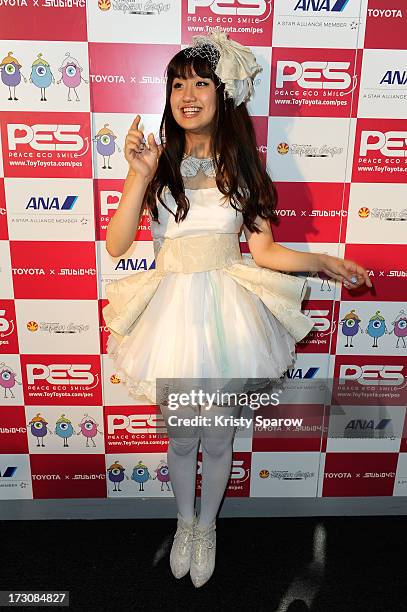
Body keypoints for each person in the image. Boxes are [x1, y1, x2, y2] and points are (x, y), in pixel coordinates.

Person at [102, 28, 372, 588]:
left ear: (223, 95)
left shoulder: (243, 171)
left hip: (227, 315)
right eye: (179, 83)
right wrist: (139, 174)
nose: (189, 93)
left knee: (219, 434)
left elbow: (266, 251)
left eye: (202, 81)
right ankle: (184, 522)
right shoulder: (156, 165)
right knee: (181, 435)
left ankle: (209, 525)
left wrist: (324, 260)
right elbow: (117, 243)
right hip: (172, 316)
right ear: (168, 95)